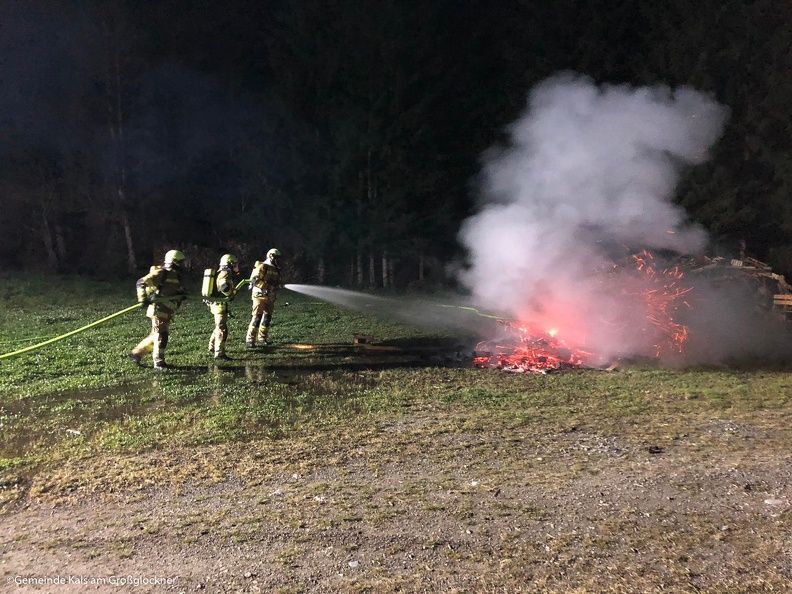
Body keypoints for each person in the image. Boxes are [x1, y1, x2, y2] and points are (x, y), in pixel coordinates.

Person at [128, 249, 187, 370]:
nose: (182, 265)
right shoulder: (161, 272)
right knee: (161, 335)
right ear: (174, 262)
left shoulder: (175, 276)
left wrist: (182, 294)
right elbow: (141, 282)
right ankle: (158, 362)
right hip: (157, 309)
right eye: (180, 262)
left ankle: (136, 353)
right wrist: (142, 299)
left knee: (155, 335)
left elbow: (175, 290)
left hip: (166, 310)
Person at [206, 253, 241, 360]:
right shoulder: (225, 273)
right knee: (222, 329)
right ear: (229, 264)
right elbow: (224, 287)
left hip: (216, 304)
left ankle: (212, 347)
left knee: (219, 326)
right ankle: (219, 353)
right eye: (234, 264)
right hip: (219, 304)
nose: (235, 266)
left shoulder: (221, 272)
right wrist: (231, 294)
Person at [246, 248, 282, 348]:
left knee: (267, 318)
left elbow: (275, 281)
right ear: (270, 256)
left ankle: (262, 338)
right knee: (257, 318)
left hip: (270, 297)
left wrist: (277, 285)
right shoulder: (262, 266)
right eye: (276, 257)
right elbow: (254, 280)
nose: (277, 260)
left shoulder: (276, 269)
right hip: (259, 296)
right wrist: (267, 287)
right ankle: (250, 340)